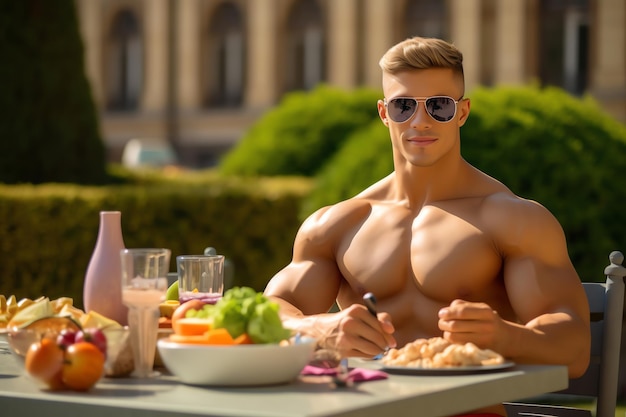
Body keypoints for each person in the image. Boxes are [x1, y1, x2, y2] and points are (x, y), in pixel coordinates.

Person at [263, 36, 590, 416]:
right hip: (360, 409)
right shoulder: (337, 223)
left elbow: (575, 347)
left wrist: (504, 336)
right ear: (384, 113)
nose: (420, 121)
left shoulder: (513, 220)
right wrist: (319, 329)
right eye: (404, 106)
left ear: (462, 112)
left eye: (439, 106)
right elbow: (270, 311)